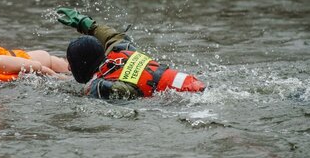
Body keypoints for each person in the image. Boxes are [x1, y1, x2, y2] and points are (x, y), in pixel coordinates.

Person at [57, 7, 205, 99]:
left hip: (185, 100)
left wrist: (83, 93)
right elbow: (112, 37)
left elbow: (127, 94)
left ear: (82, 66)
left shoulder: (101, 86)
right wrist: (86, 24)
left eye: (71, 63)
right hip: (195, 84)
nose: (69, 68)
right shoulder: (122, 51)